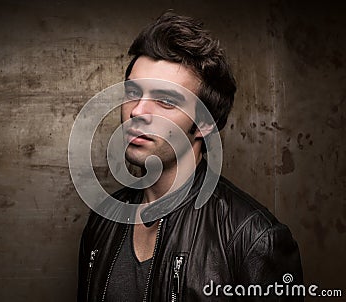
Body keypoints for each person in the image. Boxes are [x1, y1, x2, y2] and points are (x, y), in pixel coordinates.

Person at [77, 11, 303, 301]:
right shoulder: (103, 219)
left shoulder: (254, 238)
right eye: (133, 93)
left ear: (204, 123)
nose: (137, 111)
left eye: (165, 101)